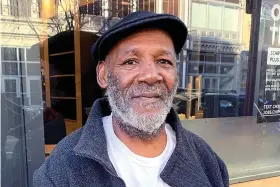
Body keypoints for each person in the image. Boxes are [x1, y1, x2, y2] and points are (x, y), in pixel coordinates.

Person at [33, 11, 229, 187]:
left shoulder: (206, 160)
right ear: (103, 75)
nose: (151, 75)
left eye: (163, 61)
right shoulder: (64, 167)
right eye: (130, 61)